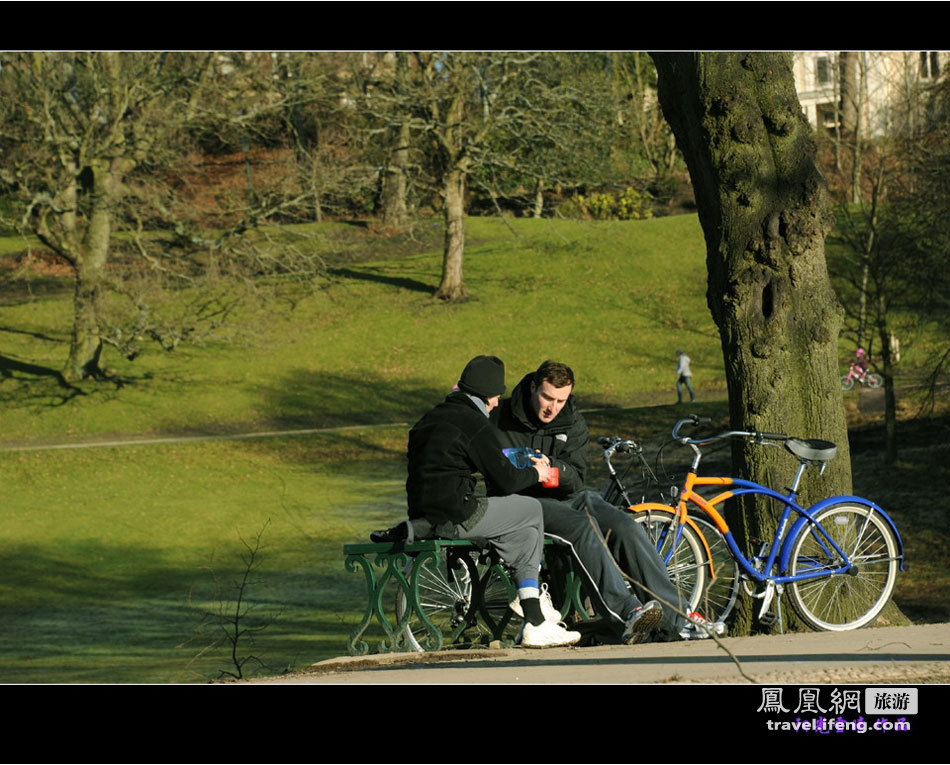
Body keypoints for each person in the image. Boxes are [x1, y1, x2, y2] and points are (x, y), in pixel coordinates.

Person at [490, 360, 724, 642]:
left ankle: (681, 617)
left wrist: (552, 471)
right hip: (526, 504)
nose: (553, 407)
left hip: (571, 496)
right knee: (583, 529)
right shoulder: (499, 417)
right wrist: (527, 473)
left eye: (560, 400)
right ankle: (628, 613)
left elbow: (577, 476)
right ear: (532, 388)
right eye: (547, 397)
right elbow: (490, 471)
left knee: (626, 527)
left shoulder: (572, 419)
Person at [400, 355, 581, 649]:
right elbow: (507, 479)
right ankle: (535, 613)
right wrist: (537, 472)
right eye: (495, 397)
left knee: (524, 532)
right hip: (456, 515)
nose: (497, 403)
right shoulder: (472, 422)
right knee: (531, 508)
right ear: (483, 395)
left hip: (422, 514)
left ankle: (534, 616)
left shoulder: (431, 418)